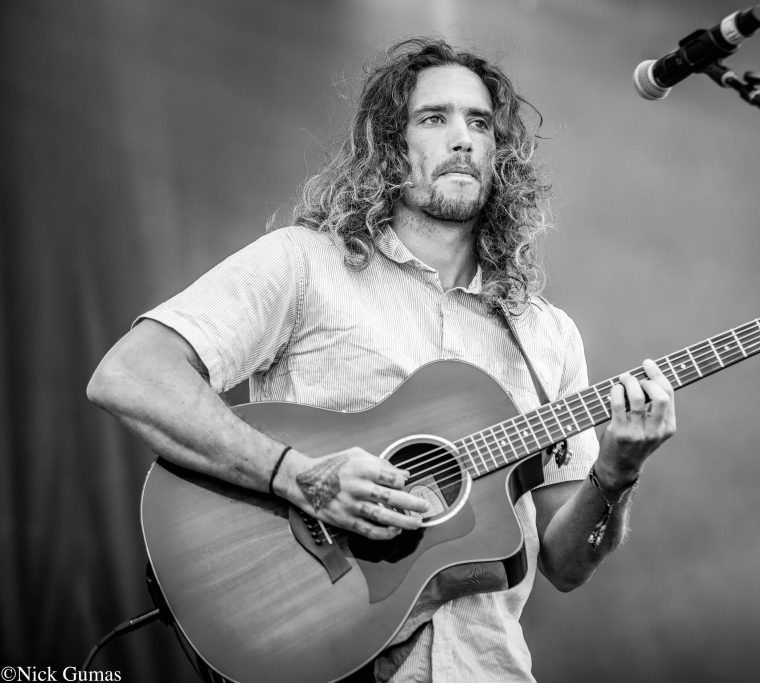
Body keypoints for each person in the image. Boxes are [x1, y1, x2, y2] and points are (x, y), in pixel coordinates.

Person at [87, 37, 676, 682]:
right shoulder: (304, 264)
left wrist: (616, 474)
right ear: (390, 145)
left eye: (480, 123)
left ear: (500, 153)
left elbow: (567, 564)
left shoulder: (547, 334)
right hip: (319, 652)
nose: (462, 139)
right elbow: (131, 375)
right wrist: (297, 476)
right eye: (435, 118)